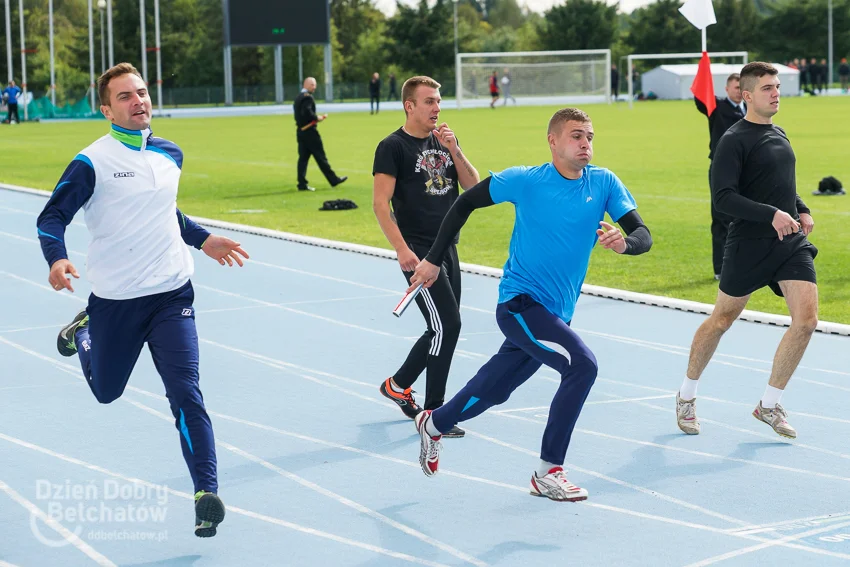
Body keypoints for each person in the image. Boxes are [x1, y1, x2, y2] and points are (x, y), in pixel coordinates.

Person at [36, 63, 249, 537]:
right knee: (107, 392)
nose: (139, 102)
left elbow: (162, 210)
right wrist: (56, 259)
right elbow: (51, 217)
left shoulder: (170, 152)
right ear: (106, 108)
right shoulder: (91, 162)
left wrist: (202, 238)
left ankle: (205, 494)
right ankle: (85, 329)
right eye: (126, 97)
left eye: (142, 92)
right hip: (116, 301)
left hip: (172, 295)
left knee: (186, 394)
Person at [407, 107, 652, 501]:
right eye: (576, 136)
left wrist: (626, 243)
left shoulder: (604, 183)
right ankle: (548, 471)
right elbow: (464, 203)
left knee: (494, 389)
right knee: (581, 366)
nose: (585, 143)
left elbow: (643, 233)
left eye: (589, 136)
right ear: (553, 141)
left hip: (555, 314)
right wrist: (434, 259)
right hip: (520, 305)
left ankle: (433, 424)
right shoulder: (525, 180)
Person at [677, 62, 817, 440]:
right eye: (768, 88)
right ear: (747, 94)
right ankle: (687, 395)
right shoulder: (733, 139)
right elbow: (723, 198)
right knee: (722, 320)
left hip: (788, 243)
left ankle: (768, 405)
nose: (776, 93)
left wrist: (799, 207)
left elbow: (780, 182)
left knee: (806, 321)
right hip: (748, 244)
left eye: (777, 87)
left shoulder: (779, 132)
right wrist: (771, 214)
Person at [372, 76, 481, 437]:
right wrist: (402, 250)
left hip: (448, 247)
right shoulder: (392, 147)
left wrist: (455, 150)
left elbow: (473, 187)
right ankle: (435, 412)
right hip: (419, 251)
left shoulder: (445, 141)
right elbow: (380, 204)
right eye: (429, 101)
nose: (437, 108)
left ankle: (399, 385)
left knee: (444, 328)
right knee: (446, 326)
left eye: (438, 101)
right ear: (410, 105)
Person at [695, 73, 747, 280]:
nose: (738, 91)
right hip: (722, 170)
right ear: (726, 89)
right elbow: (701, 100)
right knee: (722, 219)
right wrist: (703, 72)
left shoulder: (750, 110)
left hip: (746, 169)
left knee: (746, 218)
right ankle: (721, 268)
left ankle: (745, 264)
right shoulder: (716, 107)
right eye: (735, 87)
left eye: (741, 87)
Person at [293, 77, 348, 192]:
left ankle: (301, 183)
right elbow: (307, 112)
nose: (314, 87)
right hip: (310, 132)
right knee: (320, 157)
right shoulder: (307, 98)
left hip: (301, 131)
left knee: (303, 159)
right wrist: (316, 118)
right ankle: (333, 180)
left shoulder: (298, 97)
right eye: (312, 84)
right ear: (306, 84)